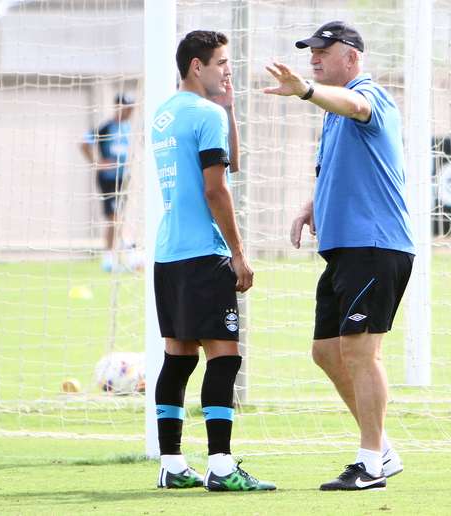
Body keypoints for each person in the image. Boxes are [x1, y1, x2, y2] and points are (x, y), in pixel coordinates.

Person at [264, 21, 415, 491]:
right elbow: (336, 166)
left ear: (351, 56)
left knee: (360, 350)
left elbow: (357, 105)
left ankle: (370, 462)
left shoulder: (368, 94)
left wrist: (305, 90)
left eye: (323, 51)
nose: (314, 58)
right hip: (345, 251)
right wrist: (311, 206)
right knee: (326, 352)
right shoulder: (331, 115)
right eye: (311, 51)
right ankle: (383, 449)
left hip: (374, 246)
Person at [151, 30, 275, 492]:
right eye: (221, 62)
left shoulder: (164, 115)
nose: (227, 69)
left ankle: (171, 464)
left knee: (178, 359)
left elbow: (230, 164)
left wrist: (229, 110)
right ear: (196, 66)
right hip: (205, 254)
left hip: (169, 254)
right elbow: (217, 188)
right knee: (224, 358)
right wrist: (239, 254)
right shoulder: (203, 115)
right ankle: (221, 467)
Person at [80, 93, 135, 271]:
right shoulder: (106, 127)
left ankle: (109, 259)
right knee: (115, 217)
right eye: (126, 108)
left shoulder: (129, 128)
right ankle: (131, 250)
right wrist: (97, 163)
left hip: (122, 179)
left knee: (115, 219)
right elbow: (84, 143)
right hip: (108, 179)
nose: (129, 111)